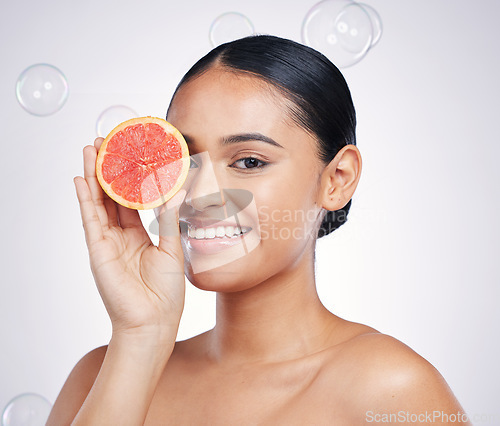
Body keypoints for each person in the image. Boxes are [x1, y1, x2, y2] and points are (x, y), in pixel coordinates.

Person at [47, 35, 469, 425]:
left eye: (249, 161)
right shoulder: (100, 377)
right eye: (184, 158)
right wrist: (141, 336)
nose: (198, 193)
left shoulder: (392, 389)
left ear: (337, 178)